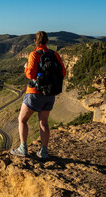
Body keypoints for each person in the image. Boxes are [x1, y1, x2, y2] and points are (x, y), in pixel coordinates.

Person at [11, 31, 66, 159]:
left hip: (35, 94)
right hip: (50, 94)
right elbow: (63, 72)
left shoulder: (34, 54)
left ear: (35, 41)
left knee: (22, 120)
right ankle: (44, 152)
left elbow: (30, 74)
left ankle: (23, 148)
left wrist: (25, 67)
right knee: (44, 123)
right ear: (47, 41)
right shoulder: (55, 54)